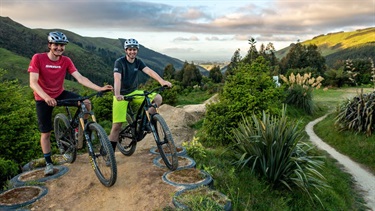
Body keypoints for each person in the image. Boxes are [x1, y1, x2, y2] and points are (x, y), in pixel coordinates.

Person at [28, 31, 113, 176]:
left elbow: (80, 78)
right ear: (50, 45)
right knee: (45, 133)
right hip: (43, 98)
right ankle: (48, 163)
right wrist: (46, 97)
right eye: (56, 45)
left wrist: (99, 88)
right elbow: (33, 82)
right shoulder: (38, 58)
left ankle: (78, 130)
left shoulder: (66, 61)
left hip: (60, 93)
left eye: (62, 45)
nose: (59, 48)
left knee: (86, 103)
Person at [108, 38, 172, 152]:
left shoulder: (138, 62)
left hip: (133, 92)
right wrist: (117, 94)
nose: (133, 52)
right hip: (121, 95)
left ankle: (145, 122)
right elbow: (117, 78)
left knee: (157, 98)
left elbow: (149, 71)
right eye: (130, 49)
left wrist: (162, 81)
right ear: (126, 50)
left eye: (135, 49)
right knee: (117, 126)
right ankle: (109, 153)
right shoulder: (120, 62)